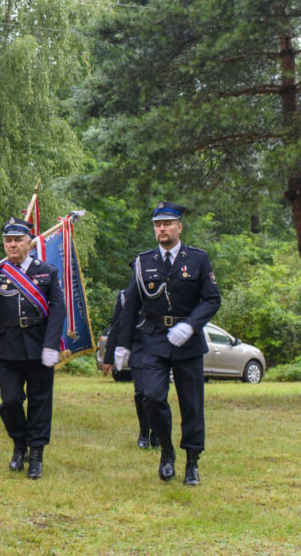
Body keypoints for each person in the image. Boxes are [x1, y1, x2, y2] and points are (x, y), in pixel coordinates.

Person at [113, 202, 220, 485]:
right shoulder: (143, 262)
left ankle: (192, 463)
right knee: (152, 396)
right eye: (158, 224)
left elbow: (212, 299)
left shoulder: (197, 259)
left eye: (167, 224)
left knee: (191, 404)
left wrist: (190, 325)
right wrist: (122, 346)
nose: (162, 229)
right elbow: (130, 305)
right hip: (154, 339)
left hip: (188, 342)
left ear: (179, 227)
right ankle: (167, 451)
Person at [0, 218, 66, 479]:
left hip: (39, 344)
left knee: (40, 401)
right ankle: (19, 441)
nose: (12, 245)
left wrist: (51, 344)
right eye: (8, 241)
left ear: (29, 243)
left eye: (17, 240)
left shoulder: (47, 271)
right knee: (10, 401)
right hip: (8, 345)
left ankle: (35, 454)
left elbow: (58, 309)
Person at [102, 290, 156, 449]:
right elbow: (117, 326)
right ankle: (144, 432)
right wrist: (108, 358)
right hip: (138, 348)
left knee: (156, 394)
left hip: (158, 347)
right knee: (141, 392)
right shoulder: (126, 296)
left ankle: (157, 433)